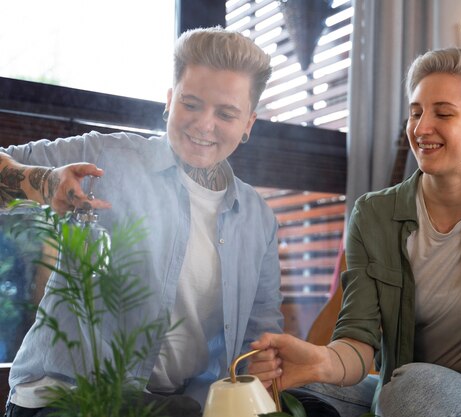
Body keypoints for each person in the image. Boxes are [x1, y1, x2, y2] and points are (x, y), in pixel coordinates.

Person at [248, 47, 461, 417]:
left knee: (409, 387)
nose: (421, 128)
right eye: (416, 112)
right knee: (302, 388)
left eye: (443, 113)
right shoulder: (373, 212)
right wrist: (319, 362)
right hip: (397, 388)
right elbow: (358, 341)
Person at [0, 26, 283, 416]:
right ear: (170, 100)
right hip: (64, 398)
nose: (204, 124)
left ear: (249, 123)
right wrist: (43, 182)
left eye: (226, 113)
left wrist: (265, 362)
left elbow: (260, 336)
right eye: (191, 104)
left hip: (177, 407)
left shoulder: (258, 219)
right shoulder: (104, 159)